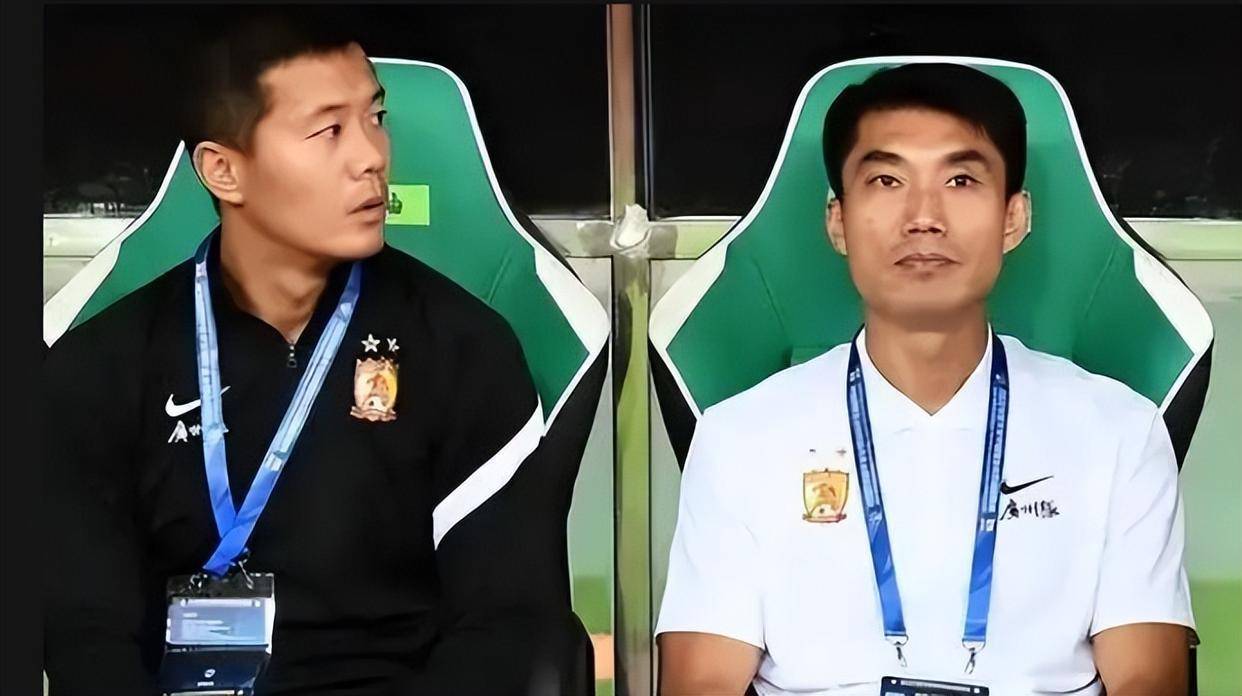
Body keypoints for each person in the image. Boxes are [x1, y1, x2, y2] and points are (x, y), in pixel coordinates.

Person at [44, 11, 585, 695]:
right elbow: (86, 636)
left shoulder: (464, 348)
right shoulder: (100, 369)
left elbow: (508, 624)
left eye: (376, 118)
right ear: (223, 171)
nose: (372, 156)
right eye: (329, 130)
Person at [656, 63, 1194, 695]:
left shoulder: (1120, 432)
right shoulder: (738, 438)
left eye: (960, 180)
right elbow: (701, 681)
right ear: (838, 221)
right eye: (887, 180)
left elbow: (1148, 678)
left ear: (1014, 218)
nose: (923, 217)